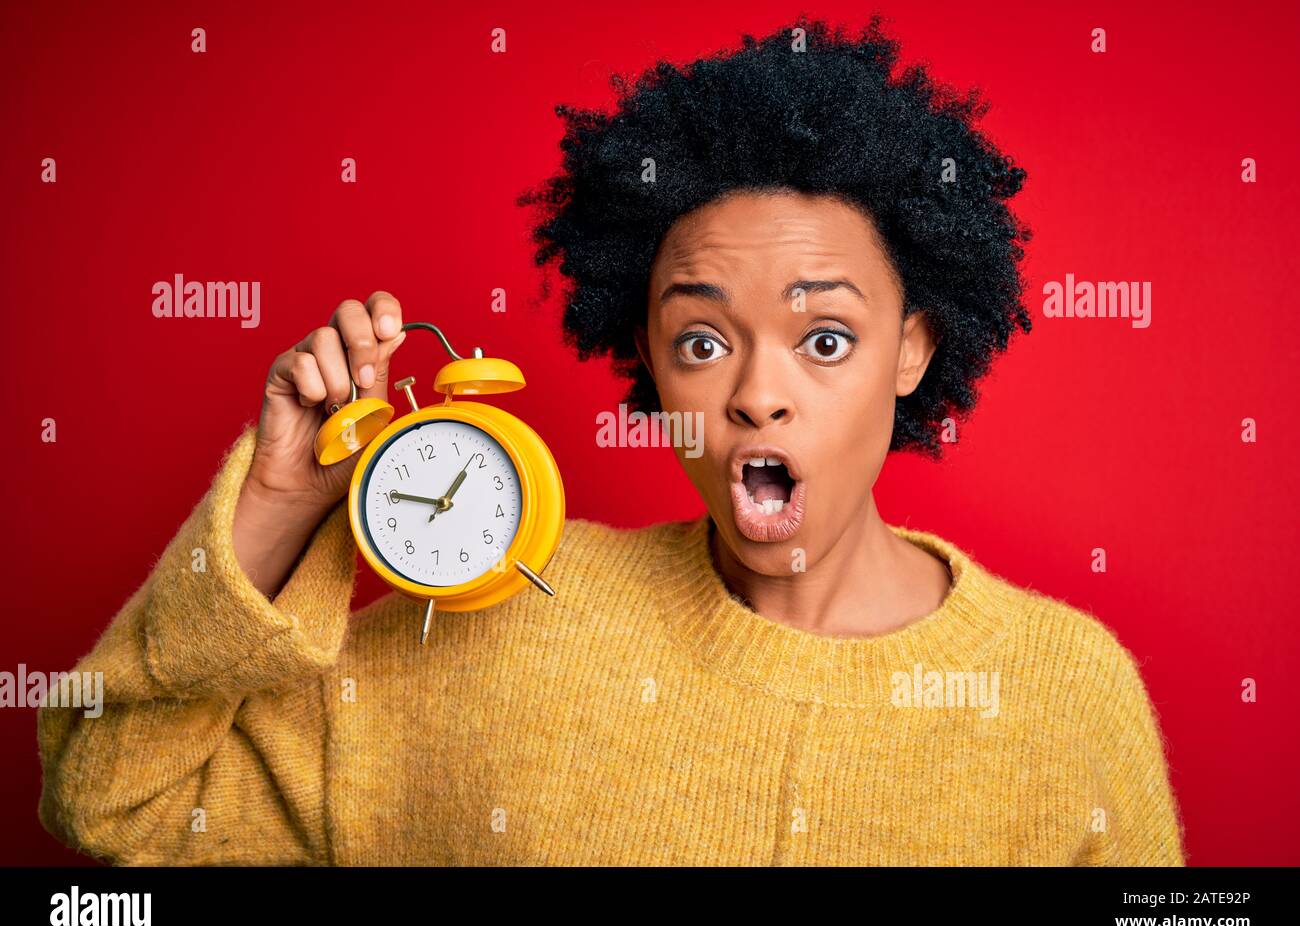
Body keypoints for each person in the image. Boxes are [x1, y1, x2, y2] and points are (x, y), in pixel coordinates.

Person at [37, 17, 1185, 865]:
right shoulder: (507, 620)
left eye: (824, 339)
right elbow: (117, 802)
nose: (755, 396)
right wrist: (281, 505)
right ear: (645, 358)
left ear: (912, 350)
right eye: (701, 341)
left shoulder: (1061, 692)